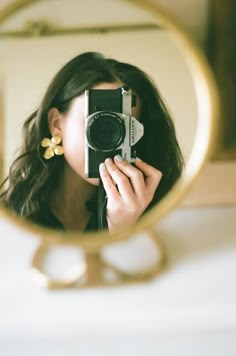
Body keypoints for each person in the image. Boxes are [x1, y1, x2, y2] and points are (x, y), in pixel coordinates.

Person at [0, 52, 183, 233]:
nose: (109, 137)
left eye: (125, 127)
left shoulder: (163, 215)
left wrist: (124, 231)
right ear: (56, 124)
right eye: (97, 123)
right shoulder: (7, 217)